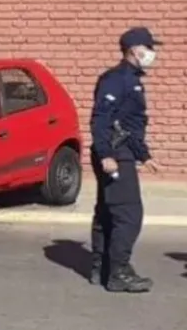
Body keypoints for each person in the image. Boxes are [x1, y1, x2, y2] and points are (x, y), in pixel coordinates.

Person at [88, 26, 162, 292]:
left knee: (108, 212)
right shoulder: (116, 79)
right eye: (148, 47)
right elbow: (101, 118)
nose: (152, 53)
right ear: (134, 50)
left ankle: (102, 267)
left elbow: (129, 124)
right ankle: (118, 272)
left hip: (121, 151)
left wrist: (144, 155)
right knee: (129, 214)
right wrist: (106, 154)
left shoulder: (131, 79)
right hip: (115, 154)